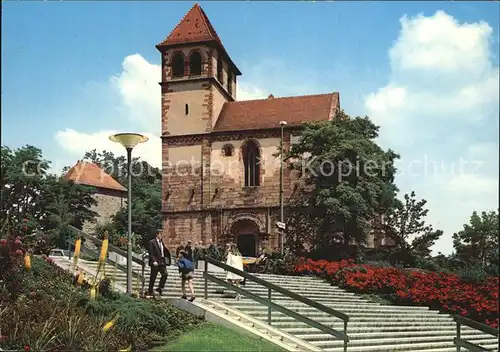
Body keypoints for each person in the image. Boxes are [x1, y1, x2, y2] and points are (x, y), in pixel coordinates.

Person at [147, 229, 171, 297]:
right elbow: (151, 253)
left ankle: (160, 288)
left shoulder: (161, 243)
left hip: (162, 262)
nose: (162, 236)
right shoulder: (152, 242)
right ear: (157, 234)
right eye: (161, 234)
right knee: (153, 277)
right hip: (155, 262)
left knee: (165, 274)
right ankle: (150, 291)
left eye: (162, 234)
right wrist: (154, 261)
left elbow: (163, 252)